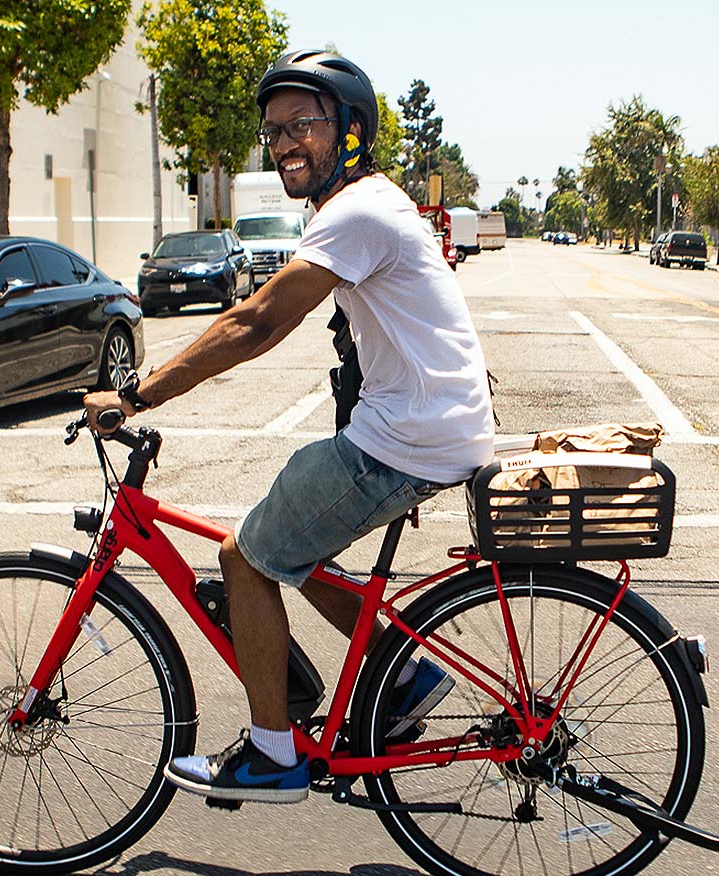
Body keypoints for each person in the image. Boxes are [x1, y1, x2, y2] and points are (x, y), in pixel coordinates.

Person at [81, 50, 495, 804]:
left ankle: (274, 754)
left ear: (352, 129)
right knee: (291, 548)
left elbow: (258, 320)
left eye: (303, 124)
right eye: (273, 132)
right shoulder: (364, 207)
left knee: (248, 556)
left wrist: (137, 394)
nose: (283, 144)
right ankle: (403, 674)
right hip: (427, 427)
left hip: (407, 437)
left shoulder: (359, 211)